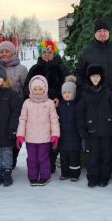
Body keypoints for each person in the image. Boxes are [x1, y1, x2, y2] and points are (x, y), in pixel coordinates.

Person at [24, 39, 68, 173]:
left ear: (54, 53)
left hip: (55, 109)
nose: (47, 54)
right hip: (38, 111)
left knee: (53, 135)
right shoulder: (35, 69)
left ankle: (51, 162)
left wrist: (59, 98)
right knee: (40, 137)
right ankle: (40, 163)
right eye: (44, 52)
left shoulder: (61, 68)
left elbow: (67, 87)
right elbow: (27, 88)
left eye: (50, 52)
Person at [16, 75, 60, 186]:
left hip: (44, 138)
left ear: (44, 89)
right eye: (35, 89)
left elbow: (54, 119)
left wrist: (55, 135)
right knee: (31, 158)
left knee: (43, 158)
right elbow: (23, 119)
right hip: (31, 138)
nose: (37, 91)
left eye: (40, 89)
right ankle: (33, 176)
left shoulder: (49, 103)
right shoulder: (27, 103)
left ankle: (45, 176)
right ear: (31, 89)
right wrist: (20, 135)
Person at [76, 65, 112, 187]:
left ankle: (104, 178)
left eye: (98, 76)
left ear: (101, 77)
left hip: (106, 130)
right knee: (93, 156)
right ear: (89, 77)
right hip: (91, 130)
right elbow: (80, 112)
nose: (96, 78)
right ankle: (92, 178)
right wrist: (82, 129)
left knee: (106, 155)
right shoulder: (84, 93)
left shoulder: (107, 91)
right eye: (93, 76)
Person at [74, 19, 112, 94]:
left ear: (109, 32)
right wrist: (86, 90)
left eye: (105, 31)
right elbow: (79, 74)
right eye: (99, 31)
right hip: (94, 96)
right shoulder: (87, 52)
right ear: (95, 33)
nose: (102, 33)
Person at [57, 76, 82, 181]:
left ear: (74, 93)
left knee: (74, 157)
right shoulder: (60, 106)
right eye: (64, 92)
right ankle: (65, 173)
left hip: (74, 137)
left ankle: (75, 174)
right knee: (64, 157)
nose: (67, 95)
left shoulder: (77, 106)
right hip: (63, 137)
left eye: (69, 92)